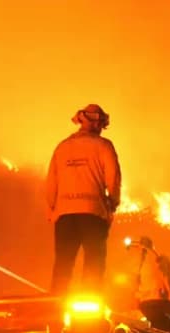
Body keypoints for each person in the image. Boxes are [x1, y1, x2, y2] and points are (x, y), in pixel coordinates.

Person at [45, 103, 122, 295]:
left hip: (64, 214)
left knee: (63, 262)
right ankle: (89, 303)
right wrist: (112, 204)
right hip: (93, 213)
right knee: (94, 261)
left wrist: (53, 209)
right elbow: (113, 179)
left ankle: (56, 303)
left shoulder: (62, 147)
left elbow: (51, 182)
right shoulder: (104, 146)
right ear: (99, 124)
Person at [129, 236, 170, 333]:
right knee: (146, 309)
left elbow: (162, 289)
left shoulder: (151, 263)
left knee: (147, 307)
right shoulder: (147, 266)